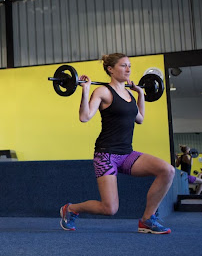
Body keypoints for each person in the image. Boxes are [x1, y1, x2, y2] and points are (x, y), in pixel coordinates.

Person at [59, 53, 176, 234]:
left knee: (167, 171)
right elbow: (84, 117)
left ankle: (147, 219)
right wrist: (85, 90)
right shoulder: (103, 91)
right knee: (110, 209)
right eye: (123, 65)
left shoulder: (129, 94)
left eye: (129, 65)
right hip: (106, 155)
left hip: (127, 154)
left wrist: (140, 93)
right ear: (110, 69)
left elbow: (140, 118)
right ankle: (71, 209)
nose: (128, 69)